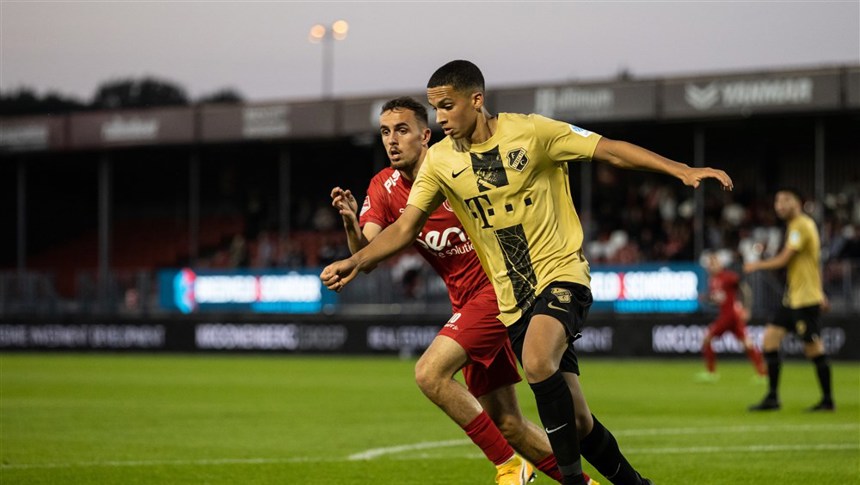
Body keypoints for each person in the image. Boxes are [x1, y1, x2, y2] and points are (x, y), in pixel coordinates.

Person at [321, 60, 733, 485]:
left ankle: (537, 474)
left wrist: (680, 169)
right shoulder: (440, 162)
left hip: (558, 274)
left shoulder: (533, 132)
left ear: (476, 100)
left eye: (446, 107)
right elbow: (404, 229)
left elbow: (607, 148)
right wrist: (353, 259)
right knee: (568, 421)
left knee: (517, 363)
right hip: (509, 297)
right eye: (435, 108)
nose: (441, 117)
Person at [330, 96, 597, 485]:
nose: (392, 140)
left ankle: (509, 469)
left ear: (425, 136)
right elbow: (367, 254)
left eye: (402, 130)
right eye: (385, 132)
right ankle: (583, 483)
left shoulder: (453, 166)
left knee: (429, 373)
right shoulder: (383, 187)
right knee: (507, 423)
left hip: (498, 291)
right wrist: (353, 226)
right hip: (466, 303)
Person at [744, 188, 834, 412]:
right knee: (769, 340)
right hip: (792, 297)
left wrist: (757, 265)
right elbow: (812, 263)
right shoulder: (795, 226)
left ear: (798, 202)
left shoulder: (801, 225)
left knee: (813, 348)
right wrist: (821, 290)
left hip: (804, 299)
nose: (780, 205)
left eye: (785, 200)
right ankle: (772, 397)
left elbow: (785, 259)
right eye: (777, 200)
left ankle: (827, 400)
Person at [696, 251, 766, 382]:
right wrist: (706, 298)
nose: (711, 266)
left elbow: (745, 290)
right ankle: (762, 374)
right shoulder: (713, 280)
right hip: (728, 315)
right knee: (747, 344)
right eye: (710, 263)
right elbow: (720, 299)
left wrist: (747, 308)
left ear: (720, 264)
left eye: (714, 263)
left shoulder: (729, 277)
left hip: (730, 315)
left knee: (707, 339)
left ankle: (711, 373)